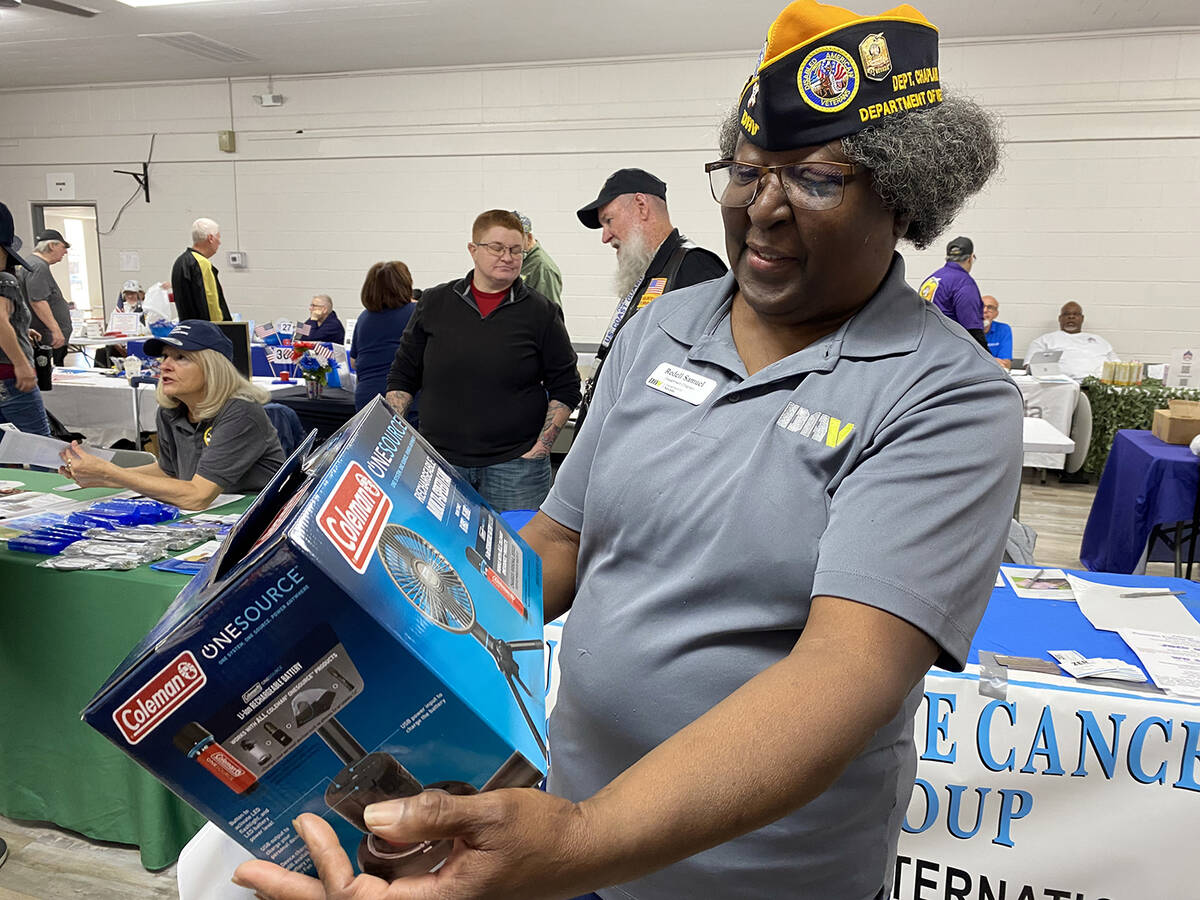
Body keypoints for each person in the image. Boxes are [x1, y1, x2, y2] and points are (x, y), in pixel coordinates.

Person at [234, 3, 1021, 899]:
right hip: (567, 830)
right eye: (745, 172)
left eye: (811, 179)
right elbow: (561, 544)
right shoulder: (665, 329)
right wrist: (385, 615)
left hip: (754, 876)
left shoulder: (946, 396)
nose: (760, 211)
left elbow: (845, 673)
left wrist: (581, 838)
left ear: (904, 195)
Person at [384, 209, 580, 512]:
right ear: (473, 250)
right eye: (497, 248)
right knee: (441, 555)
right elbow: (403, 375)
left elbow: (566, 385)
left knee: (518, 554)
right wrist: (396, 436)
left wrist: (541, 448)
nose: (508, 257)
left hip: (516, 470)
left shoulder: (541, 312)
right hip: (441, 464)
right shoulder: (434, 303)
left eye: (516, 250)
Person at [58, 320, 284, 509]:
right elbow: (169, 472)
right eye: (165, 357)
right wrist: (99, 475)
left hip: (255, 517)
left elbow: (197, 497)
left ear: (212, 367)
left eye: (180, 357)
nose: (165, 365)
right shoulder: (172, 410)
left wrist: (112, 474)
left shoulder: (241, 412)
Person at [575, 167, 726, 426]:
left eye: (608, 220)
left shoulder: (694, 267)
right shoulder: (648, 272)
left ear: (642, 206)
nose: (605, 237)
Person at [0, 202, 51, 436]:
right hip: (10, 377)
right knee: (40, 445)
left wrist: (20, 329)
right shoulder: (4, 280)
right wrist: (21, 363)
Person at [350, 261, 417, 420]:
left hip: (367, 399)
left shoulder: (364, 318)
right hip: (405, 399)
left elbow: (353, 361)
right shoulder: (416, 312)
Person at [918, 235, 987, 350]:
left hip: (924, 347)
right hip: (948, 349)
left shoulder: (932, 279)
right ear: (970, 258)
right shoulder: (964, 283)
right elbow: (972, 329)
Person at [1024, 301, 1118, 380]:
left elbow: (1117, 366)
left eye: (1075, 314)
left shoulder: (1100, 341)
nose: (1071, 317)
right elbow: (1030, 367)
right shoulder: (1044, 340)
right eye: (1066, 314)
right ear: (1060, 319)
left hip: (1101, 386)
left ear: (1082, 318)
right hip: (1062, 387)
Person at [17, 227, 71, 365]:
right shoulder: (38, 267)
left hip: (46, 337)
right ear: (52, 245)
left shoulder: (35, 265)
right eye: (63, 247)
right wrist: (56, 330)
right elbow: (38, 301)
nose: (65, 251)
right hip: (46, 339)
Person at [171, 218, 231, 322]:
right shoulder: (202, 264)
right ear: (210, 238)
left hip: (188, 327)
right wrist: (222, 328)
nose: (219, 242)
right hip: (205, 331)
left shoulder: (180, 261)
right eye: (218, 237)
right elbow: (211, 303)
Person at [511, 210, 563, 306]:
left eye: (515, 242)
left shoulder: (543, 268)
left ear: (529, 238)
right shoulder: (521, 260)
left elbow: (550, 314)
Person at [982, 294, 1012, 369]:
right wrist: (994, 361)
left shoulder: (1004, 329)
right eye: (981, 306)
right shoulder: (966, 329)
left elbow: (1006, 364)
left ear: (996, 314)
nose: (985, 310)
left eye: (990, 308)